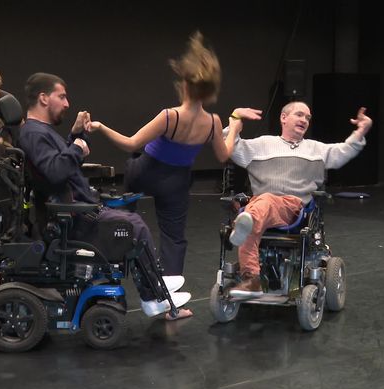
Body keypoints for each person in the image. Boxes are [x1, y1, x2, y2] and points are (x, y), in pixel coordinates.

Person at [87, 31, 262, 319]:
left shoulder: (170, 116)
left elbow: (131, 143)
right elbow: (223, 154)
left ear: (184, 85)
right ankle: (170, 306)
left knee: (117, 224)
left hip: (144, 173)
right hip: (175, 182)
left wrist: (102, 127)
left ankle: (103, 276)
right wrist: (236, 123)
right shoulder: (213, 122)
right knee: (173, 239)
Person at [17, 72, 192, 318]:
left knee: (133, 222)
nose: (67, 104)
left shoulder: (40, 131)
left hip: (78, 210)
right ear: (44, 98)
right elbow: (55, 172)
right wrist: (77, 149)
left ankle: (155, 287)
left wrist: (76, 136)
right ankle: (153, 297)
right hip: (73, 219)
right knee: (134, 226)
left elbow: (58, 164)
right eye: (62, 97)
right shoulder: (34, 134)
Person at [226, 101, 373, 298]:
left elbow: (343, 152)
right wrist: (235, 117)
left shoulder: (315, 149)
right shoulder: (260, 145)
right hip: (260, 207)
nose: (304, 120)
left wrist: (361, 131)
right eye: (299, 115)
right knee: (254, 213)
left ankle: (244, 227)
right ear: (283, 118)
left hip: (294, 208)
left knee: (257, 208)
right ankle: (252, 279)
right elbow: (228, 144)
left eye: (308, 118)